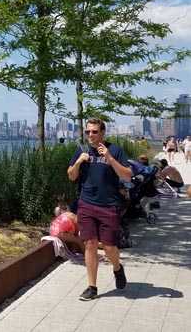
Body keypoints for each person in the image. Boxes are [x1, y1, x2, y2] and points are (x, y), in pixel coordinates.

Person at [68, 118, 132, 301]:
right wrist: (79, 162)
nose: (90, 135)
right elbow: (71, 176)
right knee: (90, 243)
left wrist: (110, 158)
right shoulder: (82, 150)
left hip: (109, 205)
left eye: (94, 132)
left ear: (103, 132)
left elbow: (127, 176)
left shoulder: (116, 150)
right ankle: (92, 287)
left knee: (110, 247)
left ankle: (117, 268)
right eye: (87, 132)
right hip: (86, 203)